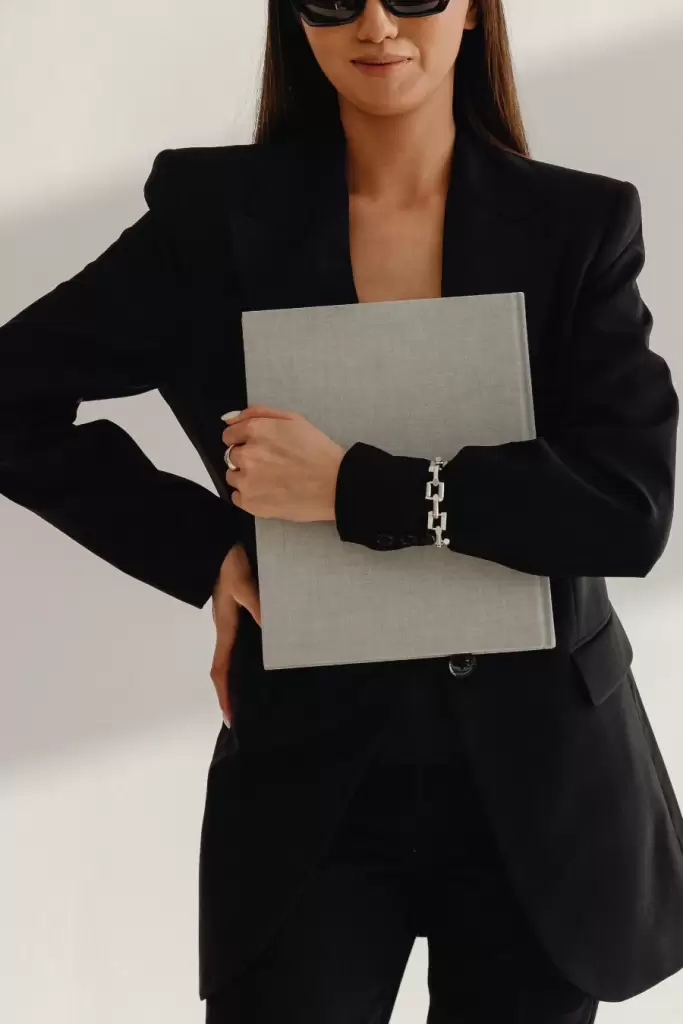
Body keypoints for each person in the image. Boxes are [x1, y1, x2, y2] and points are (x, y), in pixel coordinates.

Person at [1, 0, 682, 1020]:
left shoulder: (577, 226)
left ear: (470, 11)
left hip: (539, 789)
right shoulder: (210, 221)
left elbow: (627, 509)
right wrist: (214, 556)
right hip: (310, 787)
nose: (374, 20)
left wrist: (357, 488)